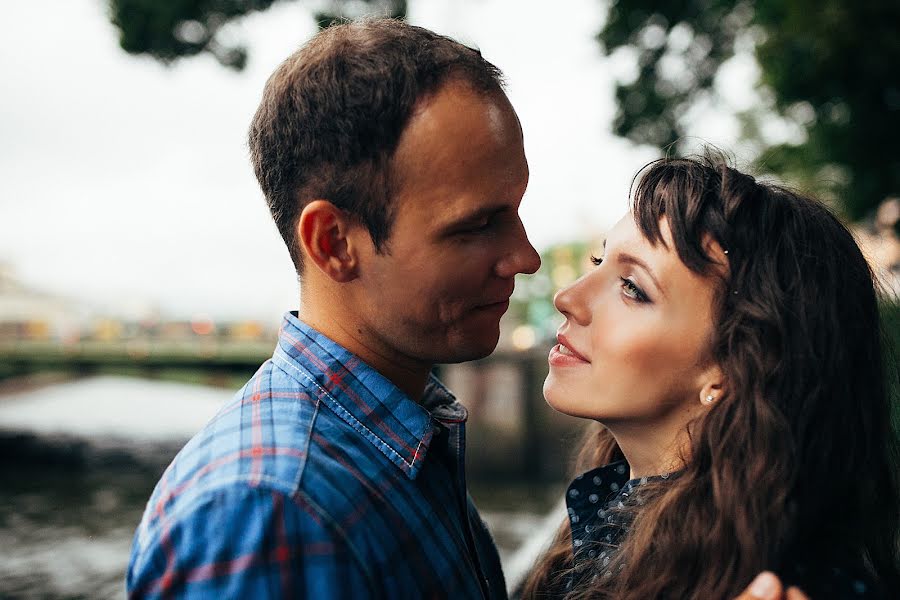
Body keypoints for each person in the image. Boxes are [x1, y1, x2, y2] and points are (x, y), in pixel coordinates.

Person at [126, 18, 540, 599]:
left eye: (517, 210)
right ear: (335, 243)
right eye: (477, 226)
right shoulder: (270, 516)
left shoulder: (389, 444)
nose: (526, 257)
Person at [522, 154, 900, 599]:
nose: (568, 297)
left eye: (632, 288)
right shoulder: (603, 516)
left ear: (731, 369)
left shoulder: (790, 583)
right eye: (599, 261)